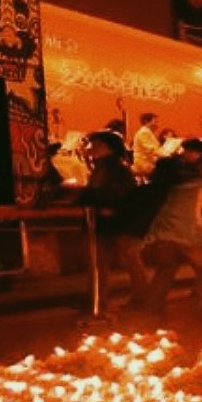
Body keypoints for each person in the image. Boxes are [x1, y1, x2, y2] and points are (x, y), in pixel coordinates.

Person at [142, 145, 202, 317]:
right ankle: (199, 304)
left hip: (161, 235)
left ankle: (151, 306)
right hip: (188, 236)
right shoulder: (199, 188)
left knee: (166, 269)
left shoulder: (169, 188)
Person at [77, 130, 149, 311]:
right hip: (106, 222)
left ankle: (141, 298)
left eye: (98, 145)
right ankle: (98, 300)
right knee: (100, 262)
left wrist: (91, 199)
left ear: (110, 149)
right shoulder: (102, 168)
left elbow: (119, 195)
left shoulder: (114, 170)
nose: (92, 148)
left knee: (127, 259)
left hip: (116, 222)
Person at [131, 112, 161, 178]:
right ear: (146, 121)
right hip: (144, 163)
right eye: (155, 121)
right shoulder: (144, 132)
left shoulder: (148, 132)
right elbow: (150, 149)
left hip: (147, 162)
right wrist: (165, 154)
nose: (157, 124)